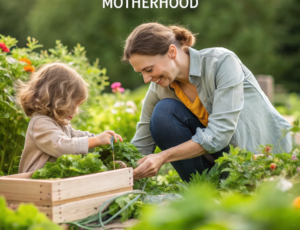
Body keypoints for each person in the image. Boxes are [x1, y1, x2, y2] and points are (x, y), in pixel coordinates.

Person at [122, 22, 293, 182]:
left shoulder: (221, 63)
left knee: (164, 113)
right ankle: (206, 189)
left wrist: (163, 157)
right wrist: (121, 168)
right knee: (163, 113)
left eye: (149, 69)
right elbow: (142, 142)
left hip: (260, 159)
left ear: (172, 52)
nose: (146, 79)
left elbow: (219, 135)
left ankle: (235, 188)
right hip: (223, 161)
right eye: (141, 73)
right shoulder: (160, 86)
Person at [17, 62, 122, 173]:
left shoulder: (59, 122)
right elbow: (61, 146)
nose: (76, 111)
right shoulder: (40, 123)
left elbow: (75, 136)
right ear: (58, 100)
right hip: (34, 182)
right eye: (73, 105)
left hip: (55, 181)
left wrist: (100, 137)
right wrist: (96, 140)